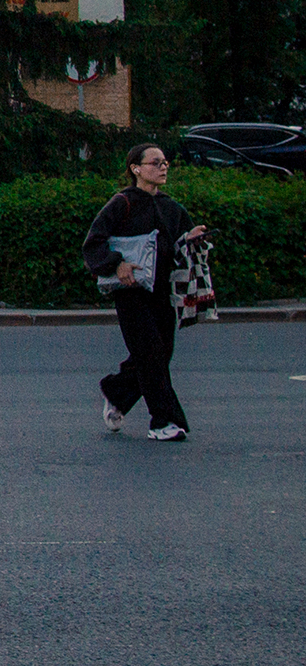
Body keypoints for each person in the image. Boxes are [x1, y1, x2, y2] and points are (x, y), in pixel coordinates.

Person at [82, 142, 207, 442]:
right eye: (155, 162)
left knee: (161, 352)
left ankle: (117, 391)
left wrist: (192, 239)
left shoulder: (171, 207)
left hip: (161, 291)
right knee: (150, 352)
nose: (163, 167)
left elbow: (177, 248)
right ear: (136, 168)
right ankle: (163, 421)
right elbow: (94, 243)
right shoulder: (122, 203)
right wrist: (117, 264)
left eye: (165, 162)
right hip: (131, 291)